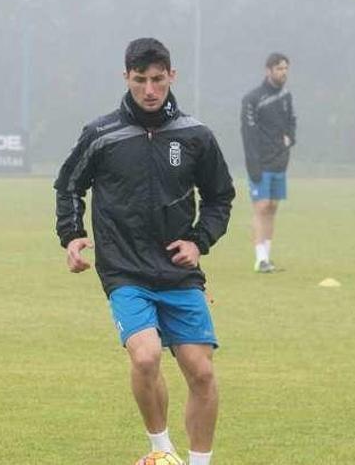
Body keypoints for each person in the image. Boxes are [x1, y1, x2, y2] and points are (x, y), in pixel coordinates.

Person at [54, 38, 235, 464]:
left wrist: (198, 240)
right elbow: (69, 186)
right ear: (126, 78)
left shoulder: (195, 135)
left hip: (177, 270)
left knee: (202, 372)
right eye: (140, 81)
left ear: (171, 76)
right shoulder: (101, 134)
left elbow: (220, 197)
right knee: (147, 355)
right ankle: (161, 451)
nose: (149, 90)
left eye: (157, 80)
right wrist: (72, 234)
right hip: (124, 268)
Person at [241, 52, 296, 273]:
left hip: (279, 162)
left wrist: (290, 138)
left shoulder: (286, 96)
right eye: (279, 68)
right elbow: (248, 133)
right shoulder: (252, 99)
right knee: (261, 207)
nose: (283, 73)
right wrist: (252, 164)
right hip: (260, 162)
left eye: (285, 68)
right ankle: (260, 259)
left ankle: (268, 257)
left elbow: (292, 121)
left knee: (272, 207)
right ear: (269, 70)